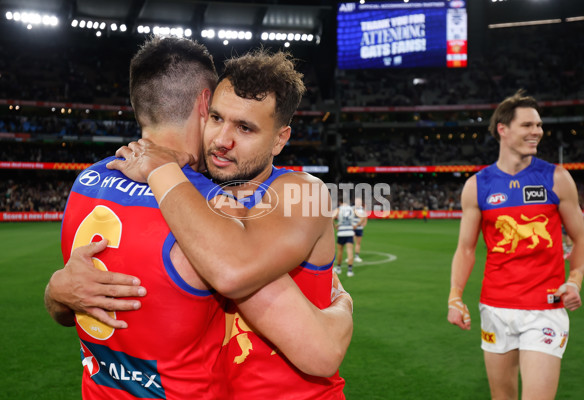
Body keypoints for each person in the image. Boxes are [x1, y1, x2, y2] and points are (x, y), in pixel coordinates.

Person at [45, 38, 352, 399]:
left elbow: (320, 353)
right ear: (205, 109)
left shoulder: (301, 192)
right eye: (217, 119)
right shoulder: (198, 193)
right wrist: (57, 293)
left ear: (280, 139)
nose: (222, 140)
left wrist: (163, 171)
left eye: (245, 128)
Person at [447, 89, 584, 400]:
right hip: (495, 308)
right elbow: (466, 249)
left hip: (545, 309)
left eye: (538, 125)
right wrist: (455, 297)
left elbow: (581, 239)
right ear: (503, 128)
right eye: (527, 125)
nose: (537, 131)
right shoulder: (477, 186)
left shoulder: (556, 178)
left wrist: (575, 280)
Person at [333, 200, 356, 277]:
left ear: (340, 202)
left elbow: (331, 217)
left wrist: (335, 225)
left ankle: (339, 268)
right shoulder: (351, 209)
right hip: (350, 232)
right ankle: (349, 271)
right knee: (350, 251)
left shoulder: (339, 209)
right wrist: (355, 225)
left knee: (340, 251)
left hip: (341, 232)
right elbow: (362, 217)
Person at [352, 197, 368, 262]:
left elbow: (365, 216)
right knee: (351, 243)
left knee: (358, 243)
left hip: (359, 228)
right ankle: (350, 257)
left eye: (359, 202)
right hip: (352, 228)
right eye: (357, 201)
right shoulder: (352, 208)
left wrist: (364, 223)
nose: (358, 203)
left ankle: (356, 256)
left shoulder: (362, 209)